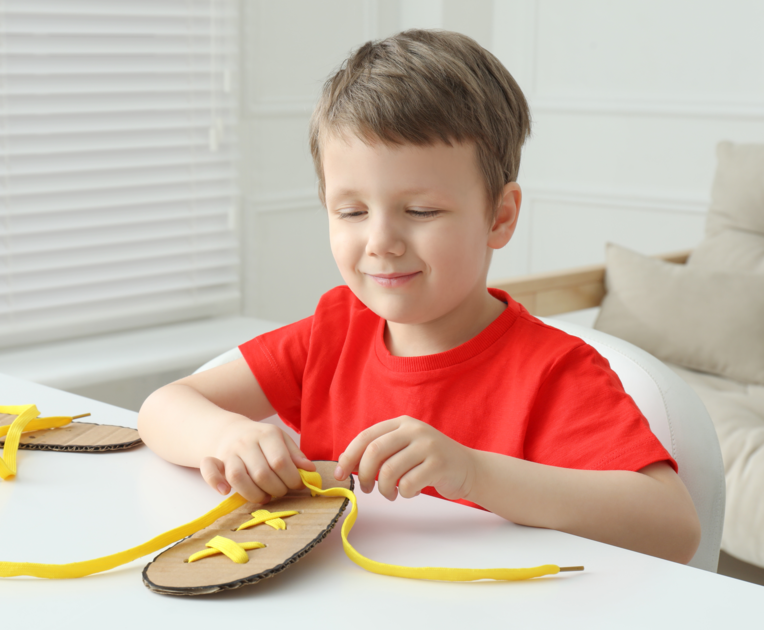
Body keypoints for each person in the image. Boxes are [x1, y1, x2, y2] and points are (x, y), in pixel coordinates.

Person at [138, 30, 701, 564]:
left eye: (422, 211)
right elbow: (162, 408)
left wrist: (474, 474)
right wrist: (229, 434)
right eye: (352, 211)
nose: (380, 242)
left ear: (499, 217)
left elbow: (673, 529)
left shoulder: (554, 371)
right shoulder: (334, 330)